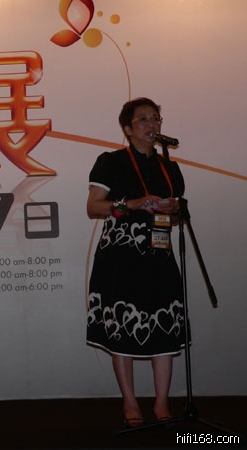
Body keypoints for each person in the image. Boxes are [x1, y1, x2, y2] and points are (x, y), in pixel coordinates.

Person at [86, 97, 187, 427]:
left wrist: (172, 211)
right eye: (143, 119)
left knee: (164, 327)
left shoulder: (169, 167)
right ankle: (130, 403)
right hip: (120, 257)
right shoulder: (111, 162)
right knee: (122, 327)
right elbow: (94, 207)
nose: (151, 124)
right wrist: (131, 205)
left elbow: (176, 218)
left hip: (159, 255)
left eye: (155, 118)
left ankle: (162, 404)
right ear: (127, 129)